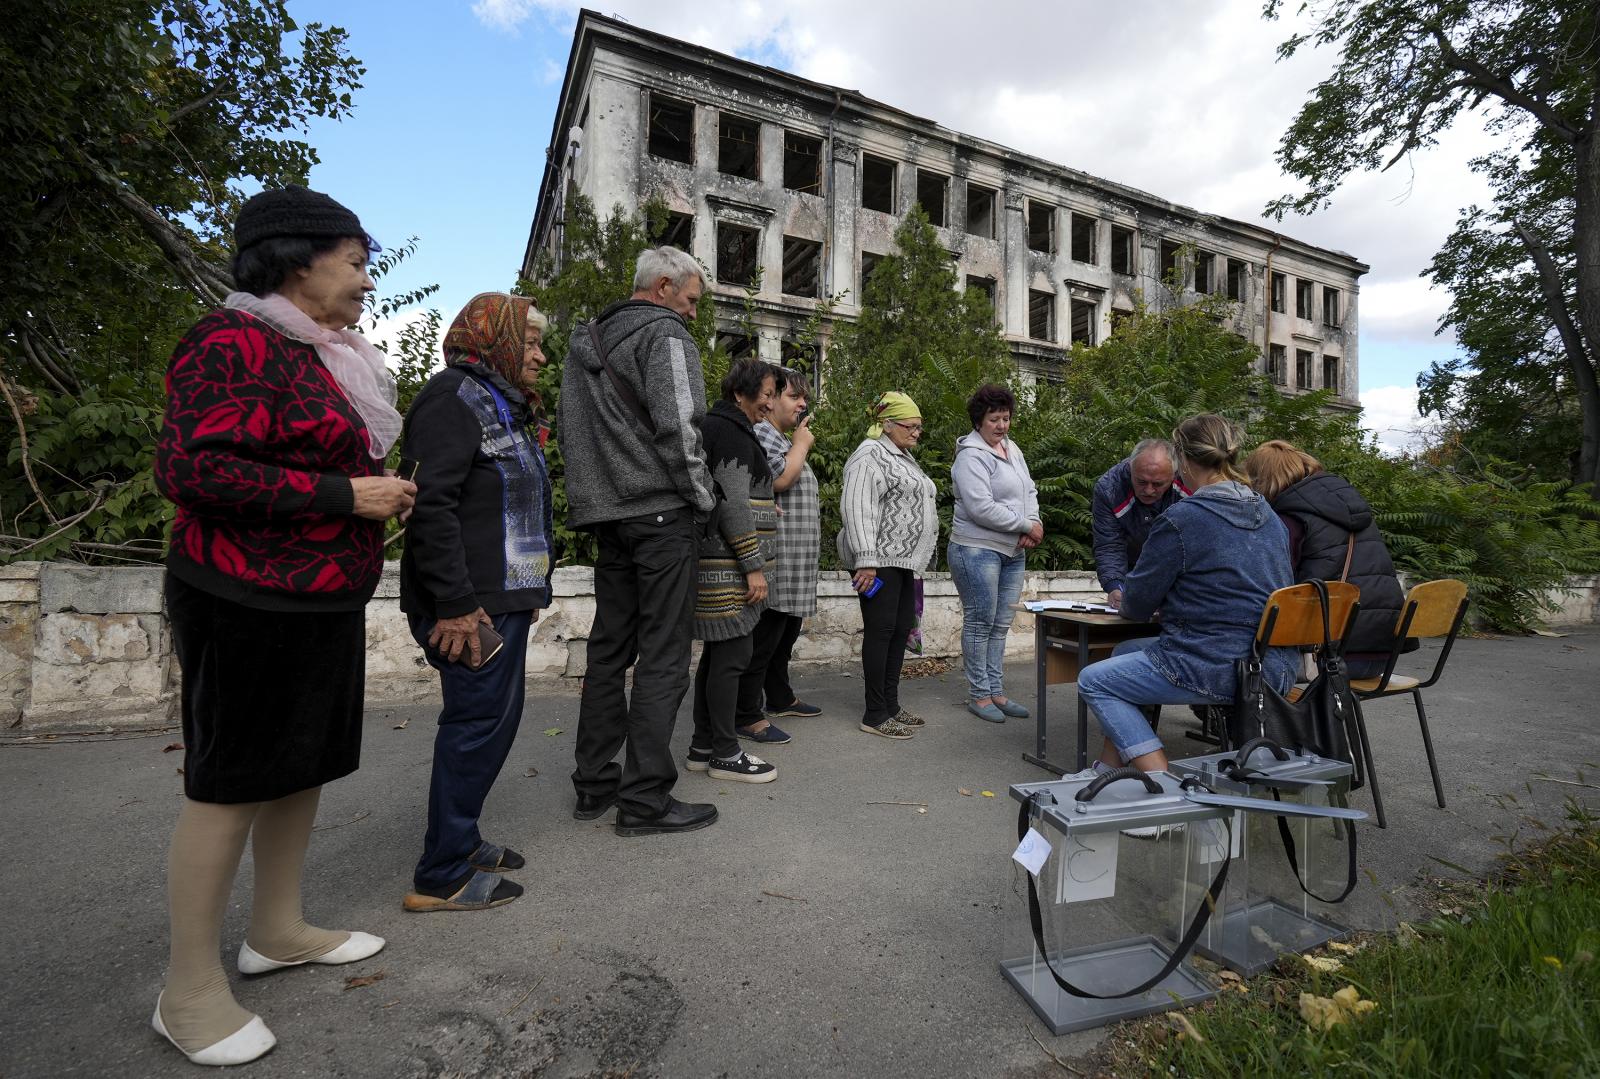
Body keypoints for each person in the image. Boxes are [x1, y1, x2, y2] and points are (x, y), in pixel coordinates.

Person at [151, 186, 415, 1065]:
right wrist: (347, 493)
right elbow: (190, 465)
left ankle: (276, 928)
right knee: (230, 781)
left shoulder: (327, 355)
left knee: (300, 763)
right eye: (354, 260)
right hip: (241, 595)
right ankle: (186, 992)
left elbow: (318, 464)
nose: (365, 279)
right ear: (299, 259)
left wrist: (375, 498)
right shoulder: (232, 340)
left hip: (317, 594)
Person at [398, 293, 555, 912]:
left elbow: (511, 502)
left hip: (499, 599)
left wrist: (528, 587)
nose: (541, 356)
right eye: (533, 343)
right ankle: (440, 876)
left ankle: (459, 841)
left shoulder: (499, 402)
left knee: (493, 725)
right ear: (500, 342)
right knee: (473, 729)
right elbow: (427, 504)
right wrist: (458, 604)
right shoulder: (452, 397)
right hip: (469, 608)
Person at [558, 246, 720, 836]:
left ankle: (593, 785)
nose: (695, 314)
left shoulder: (588, 344)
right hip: (660, 515)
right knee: (663, 657)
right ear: (663, 286)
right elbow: (682, 427)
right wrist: (702, 497)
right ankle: (645, 799)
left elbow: (575, 434)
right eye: (693, 300)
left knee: (608, 652)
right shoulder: (667, 336)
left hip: (607, 518)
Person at [1076, 414, 1296, 773]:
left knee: (1094, 680)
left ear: (1183, 459)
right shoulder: (1268, 513)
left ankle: (1160, 785)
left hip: (1214, 664)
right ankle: (1108, 769)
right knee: (1123, 653)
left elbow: (1136, 604)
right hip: (1273, 664)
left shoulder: (1183, 518)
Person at [685, 358, 781, 781]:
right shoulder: (729, 431)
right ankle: (725, 751)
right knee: (733, 655)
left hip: (724, 561)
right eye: (766, 394)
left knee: (720, 655)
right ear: (740, 392)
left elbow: (740, 496)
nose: (770, 402)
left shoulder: (727, 428)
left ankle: (703, 745)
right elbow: (732, 503)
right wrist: (753, 566)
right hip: (727, 565)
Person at [1245, 439, 1410, 678]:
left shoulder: (1290, 520)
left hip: (1330, 658)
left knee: (1239, 651)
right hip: (1384, 653)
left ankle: (1251, 712)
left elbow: (1271, 586)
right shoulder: (1354, 510)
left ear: (1262, 479)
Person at [839, 391, 939, 739]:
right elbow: (857, 508)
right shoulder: (870, 455)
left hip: (901, 563)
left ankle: (891, 706)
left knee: (898, 633)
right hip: (877, 563)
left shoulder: (902, 456)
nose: (916, 433)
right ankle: (874, 713)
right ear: (887, 424)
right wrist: (866, 561)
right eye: (910, 426)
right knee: (881, 634)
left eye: (919, 427)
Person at [737, 367, 823, 737]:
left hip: (794, 558)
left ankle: (779, 695)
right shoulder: (763, 434)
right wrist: (802, 445)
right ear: (769, 402)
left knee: (784, 634)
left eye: (804, 398)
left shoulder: (779, 437)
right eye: (794, 396)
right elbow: (778, 479)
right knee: (765, 639)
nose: (803, 404)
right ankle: (747, 713)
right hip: (775, 559)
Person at [949, 383, 1042, 724]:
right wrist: (1023, 525)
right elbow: (980, 508)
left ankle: (997, 691)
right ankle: (979, 695)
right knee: (980, 621)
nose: (1001, 426)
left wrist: (1033, 522)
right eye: (994, 419)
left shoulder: (1011, 449)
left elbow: (1028, 489)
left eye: (1006, 418)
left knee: (1001, 623)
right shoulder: (970, 456)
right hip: (976, 550)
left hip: (1012, 551)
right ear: (979, 421)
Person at [1091, 439, 1189, 610]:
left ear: (1173, 475)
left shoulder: (1189, 483)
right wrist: (1115, 587)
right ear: (1131, 468)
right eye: (1141, 482)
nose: (1149, 490)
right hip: (1133, 572)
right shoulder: (1109, 489)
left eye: (1158, 484)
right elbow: (1109, 544)